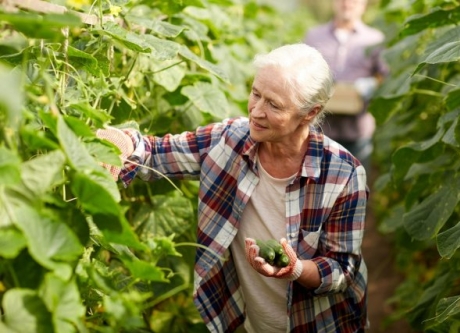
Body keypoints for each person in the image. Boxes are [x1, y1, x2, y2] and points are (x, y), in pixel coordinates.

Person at [97, 43, 369, 333]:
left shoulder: (344, 174)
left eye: (274, 105)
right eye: (255, 94)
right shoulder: (227, 140)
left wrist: (296, 269)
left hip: (322, 324)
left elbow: (342, 270)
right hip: (248, 322)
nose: (256, 111)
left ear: (309, 113)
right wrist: (120, 143)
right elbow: (155, 152)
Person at [304, 0, 389, 175]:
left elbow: (384, 75)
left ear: (364, 5)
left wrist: (372, 84)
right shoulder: (314, 36)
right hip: (319, 129)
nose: (347, 3)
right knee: (316, 189)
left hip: (357, 131)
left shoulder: (374, 39)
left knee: (354, 188)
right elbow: (303, 70)